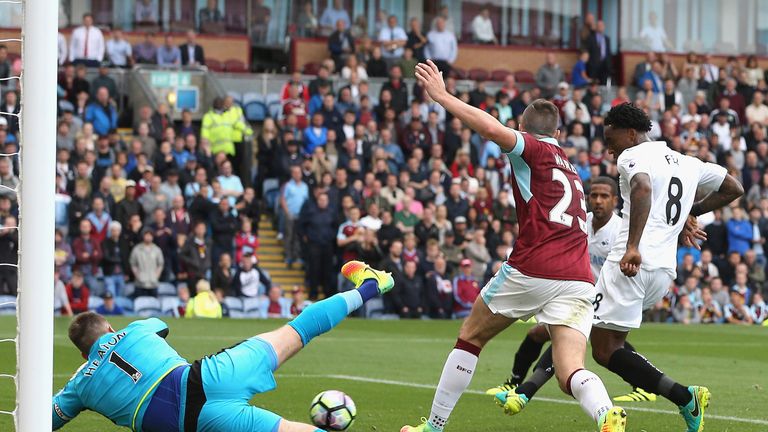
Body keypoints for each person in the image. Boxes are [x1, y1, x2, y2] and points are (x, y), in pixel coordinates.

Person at [403, 60, 625, 432]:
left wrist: (442, 96)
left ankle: (434, 426)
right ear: (559, 130)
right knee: (571, 369)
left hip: (533, 267)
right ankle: (606, 415)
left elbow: (491, 128)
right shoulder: (570, 164)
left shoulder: (533, 149)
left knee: (471, 337)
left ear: (522, 128)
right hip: (578, 277)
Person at [51, 261, 393, 431]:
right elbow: (161, 328)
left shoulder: (79, 385)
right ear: (110, 327)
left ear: (83, 353)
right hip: (204, 377)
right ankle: (369, 287)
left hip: (193, 423)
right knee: (296, 331)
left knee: (287, 431)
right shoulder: (138, 328)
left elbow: (44, 420)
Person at [587, 103, 744, 431]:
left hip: (630, 264)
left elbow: (643, 188)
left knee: (602, 347)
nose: (609, 146)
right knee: (603, 335)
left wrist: (632, 246)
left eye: (610, 138)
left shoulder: (631, 156)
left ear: (631, 133)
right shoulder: (689, 162)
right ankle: (681, 396)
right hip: (663, 272)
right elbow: (734, 188)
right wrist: (693, 211)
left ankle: (685, 397)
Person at [487, 177, 659, 405]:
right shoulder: (580, 224)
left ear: (615, 200)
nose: (598, 201)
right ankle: (517, 385)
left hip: (607, 298)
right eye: (594, 196)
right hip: (579, 295)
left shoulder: (621, 231)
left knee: (572, 340)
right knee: (590, 342)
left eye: (604, 196)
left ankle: (521, 390)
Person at [130, 229, 165, 297]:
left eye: (150, 235)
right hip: (140, 283)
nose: (148, 237)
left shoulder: (157, 249)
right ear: (143, 236)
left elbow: (160, 264)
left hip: (153, 283)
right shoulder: (137, 249)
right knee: (139, 303)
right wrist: (138, 275)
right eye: (147, 235)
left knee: (153, 304)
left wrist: (156, 275)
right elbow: (133, 263)